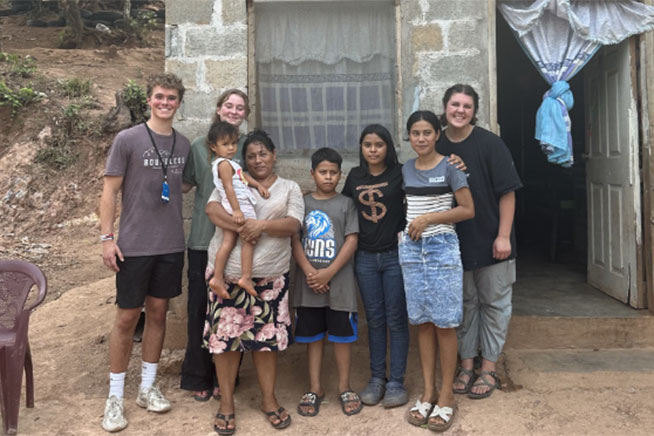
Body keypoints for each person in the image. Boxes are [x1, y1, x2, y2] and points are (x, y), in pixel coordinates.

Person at [99, 73, 191, 433]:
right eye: (159, 97)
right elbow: (109, 192)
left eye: (171, 98)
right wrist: (107, 238)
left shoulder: (182, 145)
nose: (165, 102)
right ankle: (115, 397)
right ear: (149, 100)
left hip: (170, 244)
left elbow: (184, 182)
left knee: (158, 313)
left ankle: (147, 387)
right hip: (134, 245)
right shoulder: (128, 139)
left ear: (179, 103)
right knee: (126, 318)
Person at [203, 130, 304, 434]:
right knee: (225, 343)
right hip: (228, 276)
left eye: (263, 154)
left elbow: (293, 224)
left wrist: (261, 225)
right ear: (242, 160)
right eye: (251, 155)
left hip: (271, 278)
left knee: (265, 344)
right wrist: (244, 226)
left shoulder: (289, 187)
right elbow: (212, 209)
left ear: (274, 155)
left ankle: (269, 401)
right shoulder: (231, 179)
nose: (258, 160)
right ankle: (226, 405)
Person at [436, 84, 522, 400]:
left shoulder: (490, 144)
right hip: (452, 244)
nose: (460, 110)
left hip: (491, 239)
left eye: (467, 106)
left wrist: (503, 235)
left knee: (495, 304)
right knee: (463, 306)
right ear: (445, 107)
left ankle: (488, 368)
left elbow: (507, 193)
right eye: (455, 104)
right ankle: (466, 365)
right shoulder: (435, 144)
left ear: (475, 111)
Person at [400, 110, 474, 432]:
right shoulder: (405, 169)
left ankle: (447, 395)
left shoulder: (450, 167)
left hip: (442, 248)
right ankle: (428, 390)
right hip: (412, 251)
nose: (421, 138)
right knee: (423, 323)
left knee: (445, 323)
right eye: (415, 133)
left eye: (427, 132)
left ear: (437, 134)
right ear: (409, 136)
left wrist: (430, 219)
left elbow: (468, 210)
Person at [180, 89, 249, 402]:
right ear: (219, 108)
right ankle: (198, 376)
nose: (234, 111)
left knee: (234, 314)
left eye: (240, 108)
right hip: (203, 239)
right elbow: (185, 184)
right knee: (199, 309)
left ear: (245, 114)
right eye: (229, 105)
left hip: (236, 240)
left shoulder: (247, 147)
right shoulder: (198, 146)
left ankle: (228, 378)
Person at [341, 124, 409, 408]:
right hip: (365, 258)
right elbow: (342, 206)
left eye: (378, 144)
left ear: (388, 147)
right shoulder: (355, 176)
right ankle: (377, 379)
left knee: (396, 319)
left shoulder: (401, 172)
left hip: (394, 256)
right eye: (367, 144)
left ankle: (396, 382)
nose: (372, 149)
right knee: (376, 319)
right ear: (361, 147)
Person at [292, 147, 361, 417]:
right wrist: (311, 272)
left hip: (339, 285)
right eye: (323, 172)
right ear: (313, 173)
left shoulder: (346, 204)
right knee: (314, 337)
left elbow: (352, 240)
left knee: (342, 338)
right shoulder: (303, 204)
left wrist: (328, 273)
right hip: (309, 286)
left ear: (340, 175)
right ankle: (315, 387)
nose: (328, 177)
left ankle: (344, 386)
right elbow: (295, 239)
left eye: (333, 173)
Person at [206, 120, 269, 299]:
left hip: (238, 204)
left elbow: (244, 178)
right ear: (213, 147)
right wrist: (237, 211)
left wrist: (258, 186)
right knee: (249, 239)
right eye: (225, 144)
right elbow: (229, 188)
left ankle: (217, 278)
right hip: (239, 204)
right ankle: (246, 277)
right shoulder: (224, 164)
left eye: (233, 143)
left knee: (229, 242)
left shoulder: (232, 164)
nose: (231, 148)